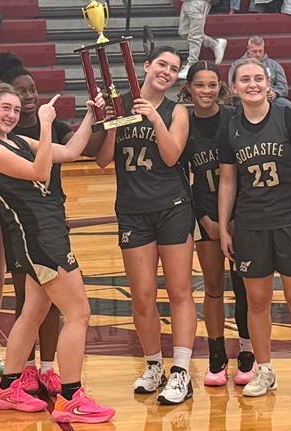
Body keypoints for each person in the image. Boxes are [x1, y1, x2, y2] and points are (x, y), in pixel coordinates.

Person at [0, 84, 115, 423]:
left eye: (15, 109)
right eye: (4, 108)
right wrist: (47, 123)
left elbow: (70, 152)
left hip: (47, 234)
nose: (11, 114)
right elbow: (40, 171)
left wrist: (90, 116)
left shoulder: (20, 142)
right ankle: (71, 398)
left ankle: (7, 387)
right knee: (79, 313)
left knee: (33, 312)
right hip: (40, 239)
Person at [94, 46, 196, 405]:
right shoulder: (119, 103)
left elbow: (171, 155)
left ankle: (181, 371)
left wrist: (153, 118)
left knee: (179, 291)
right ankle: (154, 365)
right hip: (132, 211)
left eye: (174, 68)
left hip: (172, 207)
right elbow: (102, 161)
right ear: (146, 65)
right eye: (162, 64)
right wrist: (111, 126)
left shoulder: (176, 110)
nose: (167, 72)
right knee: (142, 295)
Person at [218, 58, 291, 400]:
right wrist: (224, 227)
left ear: (268, 83)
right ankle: (264, 370)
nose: (252, 84)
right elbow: (228, 181)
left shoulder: (288, 118)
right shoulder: (230, 127)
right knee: (257, 302)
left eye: (258, 78)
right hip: (251, 225)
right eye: (245, 79)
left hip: (290, 222)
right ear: (234, 88)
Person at [0, 52, 72, 396]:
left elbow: (86, 150)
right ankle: (24, 369)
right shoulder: (5, 136)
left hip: (52, 223)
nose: (28, 96)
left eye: (32, 89)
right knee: (27, 299)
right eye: (20, 91)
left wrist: (101, 117)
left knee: (50, 300)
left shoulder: (52, 127)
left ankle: (49, 368)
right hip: (21, 228)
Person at [177, 60, 255, 387]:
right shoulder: (183, 122)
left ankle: (248, 350)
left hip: (239, 216)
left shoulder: (233, 119)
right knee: (212, 287)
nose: (206, 91)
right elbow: (181, 178)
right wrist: (204, 218)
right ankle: (217, 353)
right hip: (205, 215)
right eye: (200, 85)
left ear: (220, 88)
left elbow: (245, 172)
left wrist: (235, 218)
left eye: (212, 85)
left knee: (244, 287)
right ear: (189, 88)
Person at [227, 36, 291, 109]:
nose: (258, 54)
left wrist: (275, 93)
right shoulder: (236, 65)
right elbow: (232, 86)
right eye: (254, 51)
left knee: (288, 106)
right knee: (237, 105)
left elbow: (283, 86)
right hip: (245, 97)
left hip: (270, 98)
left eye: (260, 51)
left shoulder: (274, 65)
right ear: (248, 49)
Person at [177, 0, 228, 79]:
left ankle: (192, 64)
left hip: (198, 2)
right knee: (184, 32)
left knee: (195, 36)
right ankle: (215, 44)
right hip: (187, 2)